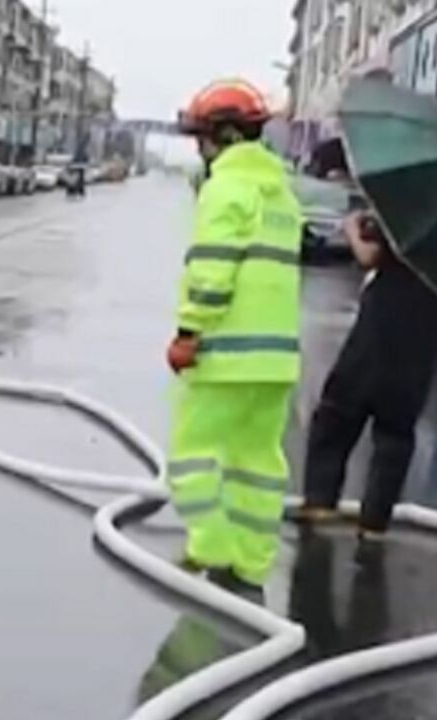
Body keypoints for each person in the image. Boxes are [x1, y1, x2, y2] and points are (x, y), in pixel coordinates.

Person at [166, 78, 303, 590]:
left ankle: (210, 546)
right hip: (276, 362)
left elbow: (212, 269)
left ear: (221, 135)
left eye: (201, 136)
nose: (198, 148)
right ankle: (250, 563)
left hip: (225, 357)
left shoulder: (226, 188)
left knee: (192, 455)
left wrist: (188, 333)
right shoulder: (283, 196)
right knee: (258, 464)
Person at [297, 211, 437, 540]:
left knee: (336, 417)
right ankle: (374, 524)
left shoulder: (412, 214)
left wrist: (352, 227)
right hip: (423, 344)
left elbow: (369, 258)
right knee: (395, 434)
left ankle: (320, 503)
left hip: (377, 334)